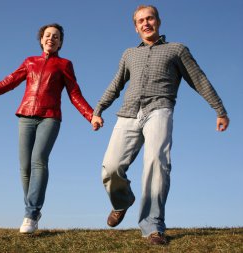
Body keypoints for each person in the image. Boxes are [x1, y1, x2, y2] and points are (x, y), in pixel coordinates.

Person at [91, 5, 229, 245]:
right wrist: (98, 109)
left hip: (160, 109)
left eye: (150, 18)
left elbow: (199, 79)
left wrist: (219, 110)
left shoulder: (177, 50)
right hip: (128, 113)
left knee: (156, 163)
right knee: (110, 167)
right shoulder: (129, 54)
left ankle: (153, 226)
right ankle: (122, 201)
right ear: (136, 27)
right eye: (141, 21)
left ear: (158, 21)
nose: (146, 23)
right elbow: (116, 84)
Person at [0, 23, 98, 234]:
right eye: (47, 35)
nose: (51, 38)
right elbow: (7, 82)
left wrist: (91, 116)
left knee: (38, 160)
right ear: (41, 39)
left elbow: (74, 94)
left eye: (56, 36)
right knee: (25, 168)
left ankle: (31, 214)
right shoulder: (30, 62)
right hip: (25, 116)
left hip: (50, 118)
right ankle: (32, 209)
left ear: (60, 42)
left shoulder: (64, 65)